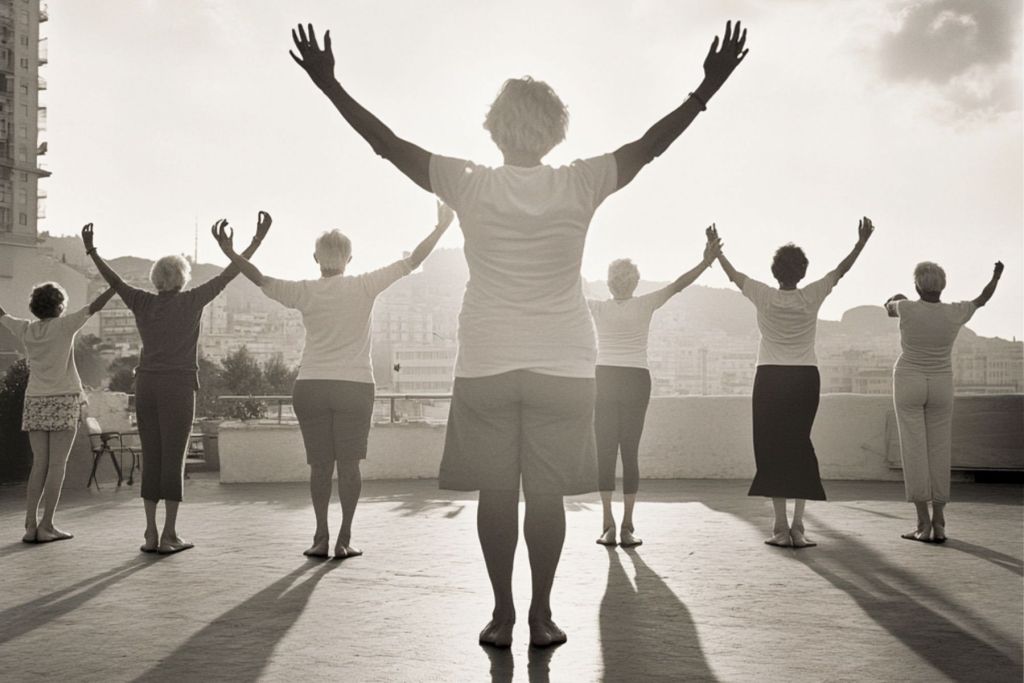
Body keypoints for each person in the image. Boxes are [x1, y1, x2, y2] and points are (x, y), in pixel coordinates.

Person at [289, 19, 748, 647]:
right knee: (549, 497)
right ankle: (541, 616)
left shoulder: (467, 181)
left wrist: (329, 85)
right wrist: (704, 89)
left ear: (494, 127)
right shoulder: (581, 180)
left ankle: (502, 615)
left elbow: (387, 144)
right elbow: (650, 144)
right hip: (565, 365)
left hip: (485, 363)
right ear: (556, 129)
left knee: (498, 495)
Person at [212, 202, 454, 560]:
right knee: (349, 465)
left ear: (315, 258)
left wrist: (231, 251)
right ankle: (344, 539)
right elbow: (412, 262)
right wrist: (441, 228)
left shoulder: (305, 291)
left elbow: (260, 278)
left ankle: (319, 536)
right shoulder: (363, 285)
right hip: (354, 386)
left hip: (311, 385)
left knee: (320, 466)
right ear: (350, 258)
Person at [82, 216, 268, 554]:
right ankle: (170, 535)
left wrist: (92, 251)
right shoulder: (193, 300)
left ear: (156, 279)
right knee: (174, 460)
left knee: (152, 458)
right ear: (182, 278)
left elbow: (115, 279)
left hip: (147, 386)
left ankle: (150, 534)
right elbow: (229, 274)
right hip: (178, 387)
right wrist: (253, 242)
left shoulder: (141, 301)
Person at [712, 218, 873, 548]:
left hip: (770, 376)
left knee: (772, 450)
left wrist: (716, 252)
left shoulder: (762, 294)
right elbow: (840, 271)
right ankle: (799, 527)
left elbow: (732, 275)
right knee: (800, 446)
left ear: (775, 272)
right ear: (801, 272)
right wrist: (860, 243)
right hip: (804, 377)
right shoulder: (812, 295)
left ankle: (779, 526)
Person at [590, 235, 720, 548]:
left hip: (604, 377)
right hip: (636, 379)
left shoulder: (596, 308)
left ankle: (607, 523)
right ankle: (627, 526)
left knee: (605, 453)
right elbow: (679, 284)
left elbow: (560, 292)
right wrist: (706, 260)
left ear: (609, 284)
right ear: (634, 283)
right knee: (629, 452)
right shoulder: (645, 303)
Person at [885, 261, 1003, 543]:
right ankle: (939, 521)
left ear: (917, 286)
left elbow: (888, 305)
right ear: (943, 286)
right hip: (941, 381)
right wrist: (995, 276)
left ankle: (921, 523)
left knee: (913, 448)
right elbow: (982, 300)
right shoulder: (954, 312)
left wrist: (899, 297)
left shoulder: (907, 308)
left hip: (909, 379)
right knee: (940, 448)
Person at [2, 283, 115, 543]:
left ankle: (30, 525)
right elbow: (95, 306)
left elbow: (2, 315)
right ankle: (48, 525)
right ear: (59, 305)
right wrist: (115, 286)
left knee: (39, 464)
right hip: (63, 399)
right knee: (57, 465)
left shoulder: (27, 329)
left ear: (35, 306)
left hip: (35, 401)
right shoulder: (65, 326)